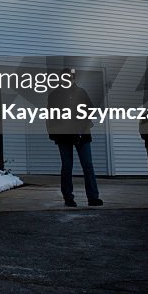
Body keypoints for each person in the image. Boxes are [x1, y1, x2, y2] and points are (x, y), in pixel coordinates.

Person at [46, 69, 103, 207]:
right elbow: (50, 116)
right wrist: (54, 134)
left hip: (82, 134)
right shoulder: (54, 95)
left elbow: (90, 110)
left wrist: (83, 125)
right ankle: (68, 198)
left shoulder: (81, 92)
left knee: (88, 165)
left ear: (73, 79)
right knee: (67, 166)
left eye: (70, 77)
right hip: (63, 136)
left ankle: (93, 198)